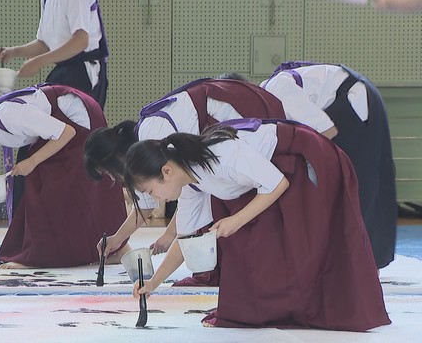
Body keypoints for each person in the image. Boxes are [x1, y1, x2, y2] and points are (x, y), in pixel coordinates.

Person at [125, 120, 390, 331]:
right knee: (258, 253)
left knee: (309, 245)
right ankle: (282, 306)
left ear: (166, 171)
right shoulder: (191, 183)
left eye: (152, 190)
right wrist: (155, 281)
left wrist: (235, 220)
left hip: (305, 161)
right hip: (276, 177)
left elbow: (277, 184)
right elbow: (184, 238)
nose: (156, 198)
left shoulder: (221, 155)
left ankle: (328, 306)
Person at [84, 78, 286, 266]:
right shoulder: (145, 156)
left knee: (252, 198)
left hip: (246, 120)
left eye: (107, 172)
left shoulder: (152, 133)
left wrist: (173, 234)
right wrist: (117, 241)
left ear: (115, 159)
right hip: (232, 141)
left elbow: (183, 191)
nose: (112, 178)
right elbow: (148, 207)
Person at [0, 83, 127, 269]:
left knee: (47, 185)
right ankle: (106, 250)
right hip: (59, 130)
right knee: (41, 182)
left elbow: (67, 132)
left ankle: (50, 254)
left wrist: (32, 161)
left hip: (78, 117)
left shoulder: (9, 114)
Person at [256, 62, 397, 269]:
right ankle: (352, 262)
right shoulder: (269, 99)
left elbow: (326, 131)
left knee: (355, 189)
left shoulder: (276, 90)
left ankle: (359, 266)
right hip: (351, 99)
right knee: (344, 189)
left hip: (353, 102)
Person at [0, 0, 109, 108]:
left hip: (83, 71)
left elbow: (81, 40)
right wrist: (14, 52)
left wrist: (38, 62)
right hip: (64, 71)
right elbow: (45, 43)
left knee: (77, 125)